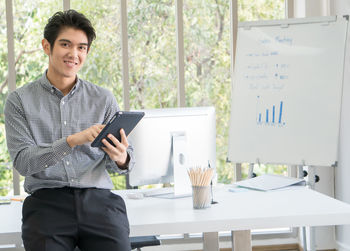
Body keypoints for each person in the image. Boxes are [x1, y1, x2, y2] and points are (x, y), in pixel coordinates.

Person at [4, 9, 134, 251]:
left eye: (82, 47)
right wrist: (72, 141)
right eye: (66, 44)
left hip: (99, 202)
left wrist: (121, 158)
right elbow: (24, 163)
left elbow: (123, 164)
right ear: (46, 46)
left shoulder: (103, 99)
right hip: (46, 204)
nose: (74, 54)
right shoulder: (19, 101)